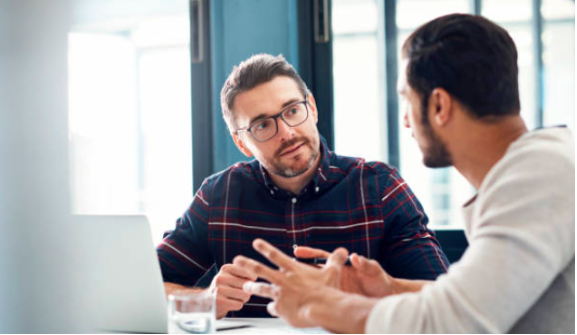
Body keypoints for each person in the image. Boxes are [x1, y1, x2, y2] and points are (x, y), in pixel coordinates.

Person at [235, 14, 575, 333]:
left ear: (439, 106)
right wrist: (389, 288)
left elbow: (451, 323)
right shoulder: (539, 169)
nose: (406, 121)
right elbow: (480, 299)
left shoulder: (539, 177)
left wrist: (321, 305)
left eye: (407, 100)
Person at [156, 54, 450, 318]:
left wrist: (383, 289)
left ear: (312, 108)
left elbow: (444, 300)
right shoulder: (217, 196)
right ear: (241, 142)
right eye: (262, 125)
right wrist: (204, 300)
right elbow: (147, 288)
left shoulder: (380, 187)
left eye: (293, 110)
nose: (287, 132)